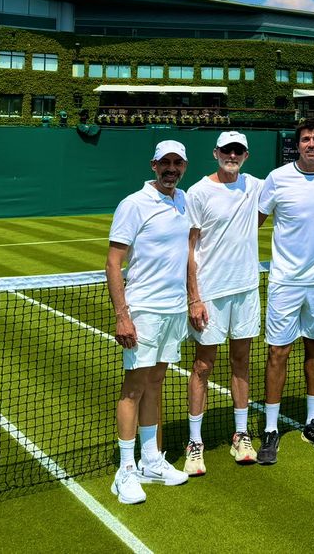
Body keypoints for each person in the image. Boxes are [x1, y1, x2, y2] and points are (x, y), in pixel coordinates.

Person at [106, 140, 192, 504]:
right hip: (143, 310)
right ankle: (124, 471)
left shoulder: (183, 199)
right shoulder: (133, 203)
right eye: (165, 163)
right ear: (154, 165)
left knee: (156, 383)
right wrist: (122, 315)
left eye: (178, 163)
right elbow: (113, 262)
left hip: (174, 310)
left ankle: (151, 461)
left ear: (183, 166)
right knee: (134, 388)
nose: (171, 169)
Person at [256, 117, 314, 465]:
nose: (311, 144)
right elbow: (255, 221)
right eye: (306, 139)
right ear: (298, 144)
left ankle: (312, 421)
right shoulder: (277, 178)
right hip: (285, 282)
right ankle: (270, 428)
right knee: (278, 353)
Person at [184, 130, 262, 474]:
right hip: (210, 295)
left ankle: (241, 434)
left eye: (238, 151)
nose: (232, 155)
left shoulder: (256, 186)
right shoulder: (198, 192)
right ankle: (195, 442)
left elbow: (296, 177)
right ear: (216, 153)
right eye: (227, 150)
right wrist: (194, 297)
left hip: (246, 290)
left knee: (241, 362)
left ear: (245, 155)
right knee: (203, 366)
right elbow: (189, 247)